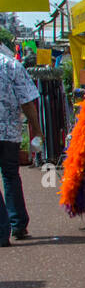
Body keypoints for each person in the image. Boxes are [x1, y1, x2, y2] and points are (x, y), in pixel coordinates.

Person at [0, 42, 42, 246]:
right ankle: (17, 224)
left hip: (9, 131)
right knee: (10, 176)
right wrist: (37, 129)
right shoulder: (12, 66)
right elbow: (27, 101)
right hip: (10, 132)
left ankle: (2, 229)